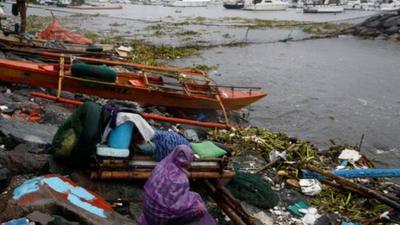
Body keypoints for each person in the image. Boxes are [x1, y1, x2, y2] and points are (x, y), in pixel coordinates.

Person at [138, 145, 216, 225]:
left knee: (194, 198)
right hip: (162, 220)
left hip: (148, 213)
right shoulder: (180, 179)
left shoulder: (160, 166)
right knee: (200, 208)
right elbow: (178, 207)